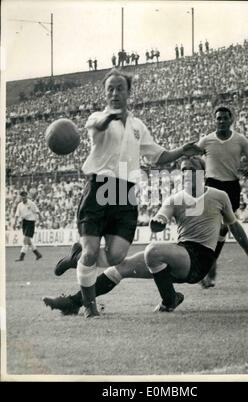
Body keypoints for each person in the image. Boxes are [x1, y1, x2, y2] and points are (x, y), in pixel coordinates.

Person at [51, 68, 200, 319]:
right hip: (99, 188)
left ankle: (76, 256)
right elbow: (99, 125)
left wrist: (181, 151)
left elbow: (158, 155)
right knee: (91, 252)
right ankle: (89, 306)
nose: (114, 93)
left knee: (116, 257)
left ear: (129, 92)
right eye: (110, 89)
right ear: (105, 93)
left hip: (125, 194)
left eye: (120, 88)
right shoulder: (96, 118)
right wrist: (109, 117)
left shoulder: (137, 126)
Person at [43, 158, 248, 316]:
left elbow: (233, 225)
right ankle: (73, 303)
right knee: (119, 267)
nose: (186, 174)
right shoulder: (175, 199)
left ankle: (169, 301)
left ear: (202, 173)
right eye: (183, 171)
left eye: (191, 170)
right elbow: (160, 218)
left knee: (154, 250)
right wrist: (158, 222)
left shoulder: (219, 196)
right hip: (179, 253)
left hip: (199, 259)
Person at [196, 105, 248, 288]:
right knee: (213, 228)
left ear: (231, 119)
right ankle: (208, 269)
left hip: (231, 186)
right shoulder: (206, 140)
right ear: (214, 120)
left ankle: (209, 268)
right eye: (218, 118)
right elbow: (192, 156)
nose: (222, 121)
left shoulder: (240, 140)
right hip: (212, 186)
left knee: (224, 229)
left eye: (225, 118)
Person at [13, 191, 42, 262]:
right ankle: (38, 254)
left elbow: (37, 211)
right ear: (20, 197)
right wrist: (15, 223)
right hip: (24, 222)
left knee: (25, 240)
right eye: (22, 196)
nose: (23, 197)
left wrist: (41, 218)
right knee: (28, 241)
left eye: (24, 196)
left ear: (26, 196)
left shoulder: (31, 203)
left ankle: (21, 257)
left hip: (31, 222)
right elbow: (17, 215)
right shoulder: (19, 205)